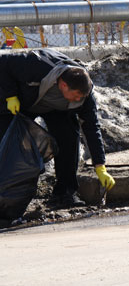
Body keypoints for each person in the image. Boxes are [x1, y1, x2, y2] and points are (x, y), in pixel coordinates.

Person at [0, 49, 115, 206]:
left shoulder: (84, 96)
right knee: (10, 146)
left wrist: (100, 167)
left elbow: (91, 128)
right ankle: (8, 198)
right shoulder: (36, 64)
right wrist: (11, 95)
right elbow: (3, 62)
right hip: (20, 102)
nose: (79, 99)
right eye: (76, 96)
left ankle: (64, 194)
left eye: (81, 97)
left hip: (58, 110)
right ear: (63, 84)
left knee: (69, 138)